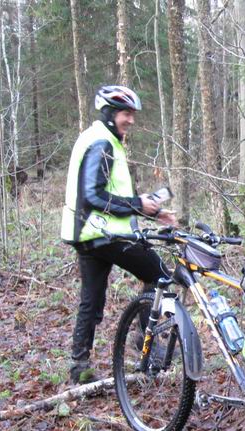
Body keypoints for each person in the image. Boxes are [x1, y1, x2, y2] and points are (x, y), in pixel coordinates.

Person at [61, 85, 177, 384]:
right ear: (111, 114)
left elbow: (110, 196)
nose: (131, 120)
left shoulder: (101, 138)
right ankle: (147, 344)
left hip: (89, 235)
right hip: (105, 235)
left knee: (91, 300)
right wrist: (139, 204)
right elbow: (94, 196)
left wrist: (150, 210)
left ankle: (79, 366)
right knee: (160, 273)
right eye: (126, 113)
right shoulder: (102, 143)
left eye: (132, 114)